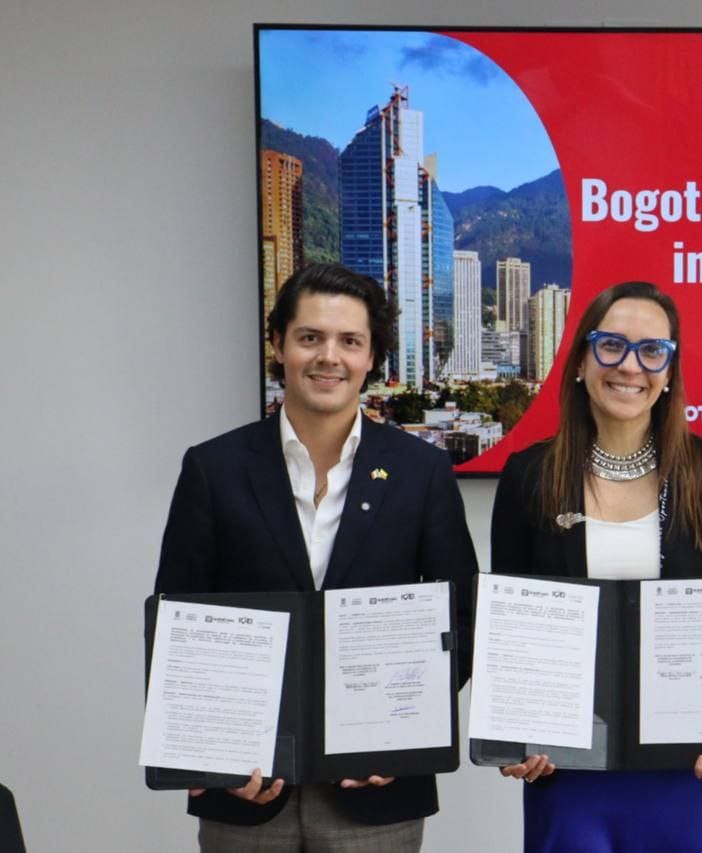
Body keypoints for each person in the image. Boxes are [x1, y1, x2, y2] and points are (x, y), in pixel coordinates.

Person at [154, 263, 478, 852]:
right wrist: (208, 753)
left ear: (372, 356)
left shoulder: (422, 471)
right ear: (278, 344)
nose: (329, 357)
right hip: (245, 789)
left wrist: (404, 734)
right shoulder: (213, 468)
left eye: (350, 341)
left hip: (377, 791)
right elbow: (178, 620)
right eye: (310, 337)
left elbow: (463, 618)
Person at [490, 281, 702, 852]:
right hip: (568, 768)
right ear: (581, 362)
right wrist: (514, 737)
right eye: (611, 345)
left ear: (669, 371)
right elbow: (508, 632)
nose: (631, 366)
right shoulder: (529, 476)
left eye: (652, 351)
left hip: (690, 767)